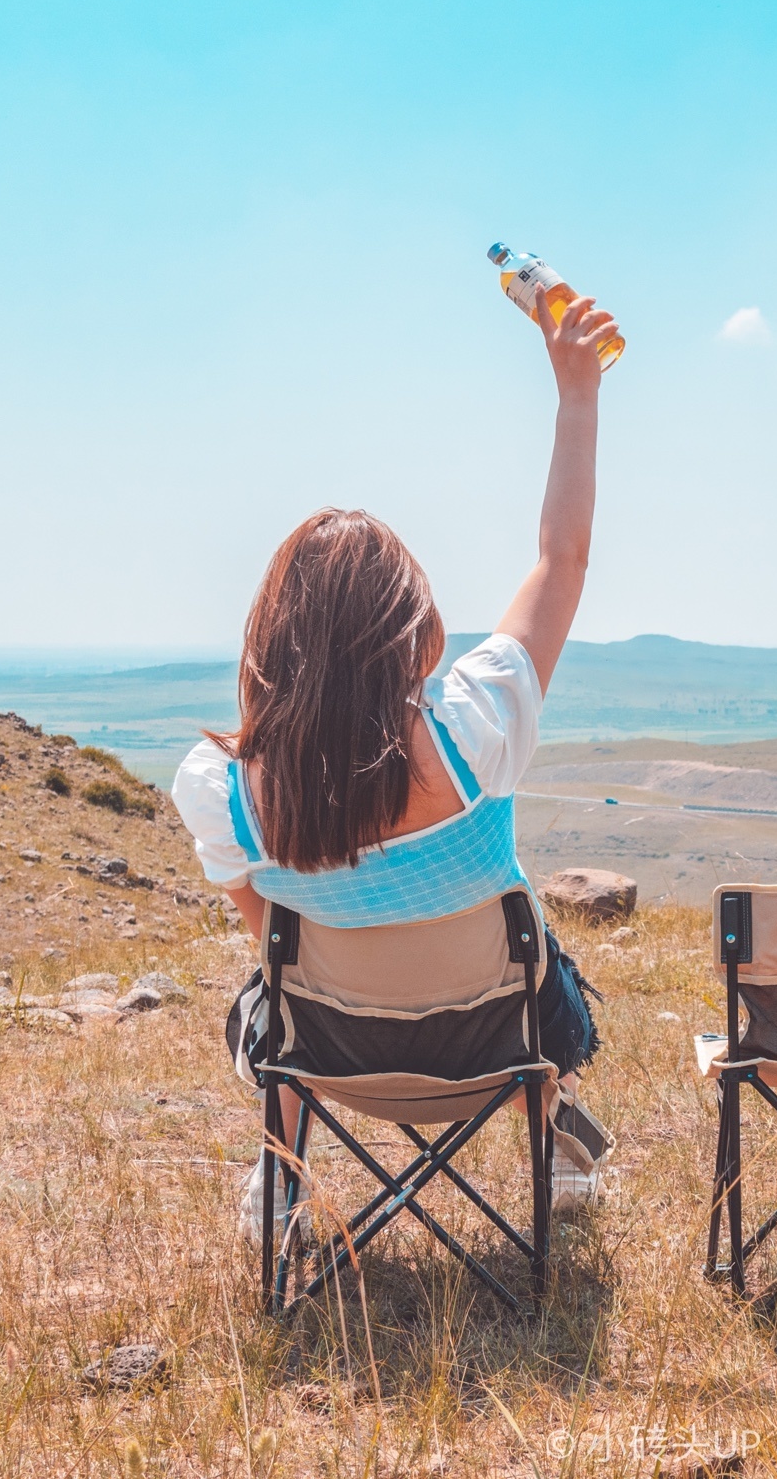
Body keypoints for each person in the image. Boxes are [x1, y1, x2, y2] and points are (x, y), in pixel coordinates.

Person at [171, 289, 620, 1239]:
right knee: (538, 950)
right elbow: (561, 559)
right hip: (502, 1047)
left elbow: (273, 944)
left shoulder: (222, 788)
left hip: (335, 1058)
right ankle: (556, 1143)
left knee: (282, 981)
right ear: (412, 630)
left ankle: (280, 1175)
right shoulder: (476, 727)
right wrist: (576, 393)